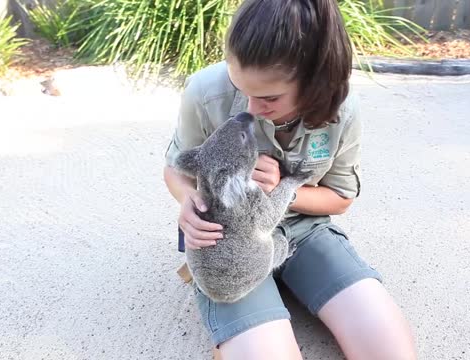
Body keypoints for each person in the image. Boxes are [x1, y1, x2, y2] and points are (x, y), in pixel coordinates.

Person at [163, 0, 417, 359]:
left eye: (269, 97)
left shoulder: (343, 108)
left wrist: (282, 189)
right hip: (226, 244)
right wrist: (188, 201)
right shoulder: (205, 91)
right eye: (241, 88)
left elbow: (340, 198)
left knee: (388, 351)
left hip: (304, 231)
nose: (250, 109)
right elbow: (176, 169)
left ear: (316, 82)